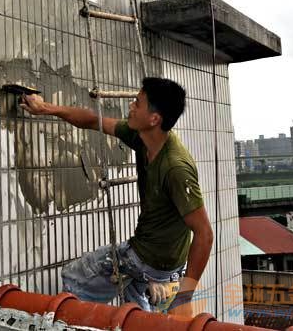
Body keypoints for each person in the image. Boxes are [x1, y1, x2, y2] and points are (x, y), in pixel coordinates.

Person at [20, 77, 213, 318]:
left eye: (137, 103)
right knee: (136, 305)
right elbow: (92, 120)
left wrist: (184, 298)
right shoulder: (142, 137)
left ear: (154, 118)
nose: (130, 106)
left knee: (74, 279)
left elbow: (204, 234)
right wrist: (45, 108)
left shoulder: (176, 167)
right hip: (159, 259)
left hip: (148, 259)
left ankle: (145, 286)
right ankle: (147, 297)